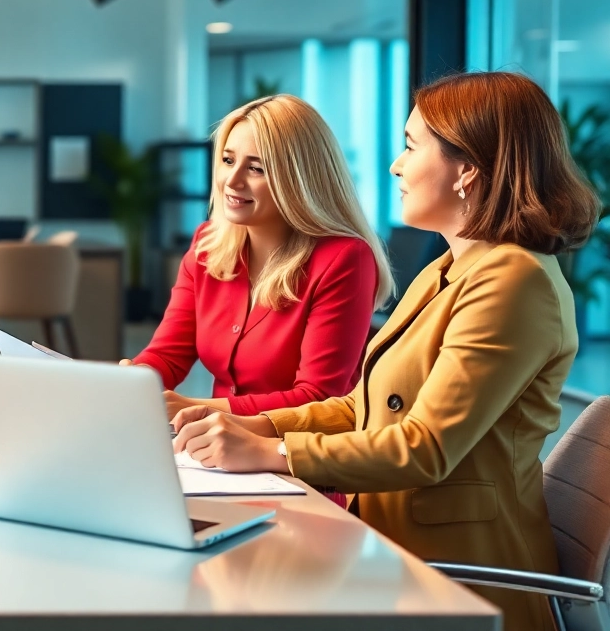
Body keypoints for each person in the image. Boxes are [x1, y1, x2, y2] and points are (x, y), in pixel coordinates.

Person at [171, 71, 601, 631]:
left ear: (467, 169)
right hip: (390, 548)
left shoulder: (514, 283)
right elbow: (361, 408)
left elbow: (425, 448)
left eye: (409, 146)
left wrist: (273, 454)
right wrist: (232, 419)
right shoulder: (448, 270)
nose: (396, 165)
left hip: (458, 578)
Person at [125, 94, 392, 419]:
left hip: (298, 456)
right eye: (227, 160)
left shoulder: (345, 259)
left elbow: (318, 398)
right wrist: (131, 381)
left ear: (298, 179)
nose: (232, 181)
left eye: (255, 168)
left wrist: (198, 408)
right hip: (217, 451)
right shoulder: (207, 244)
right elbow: (168, 354)